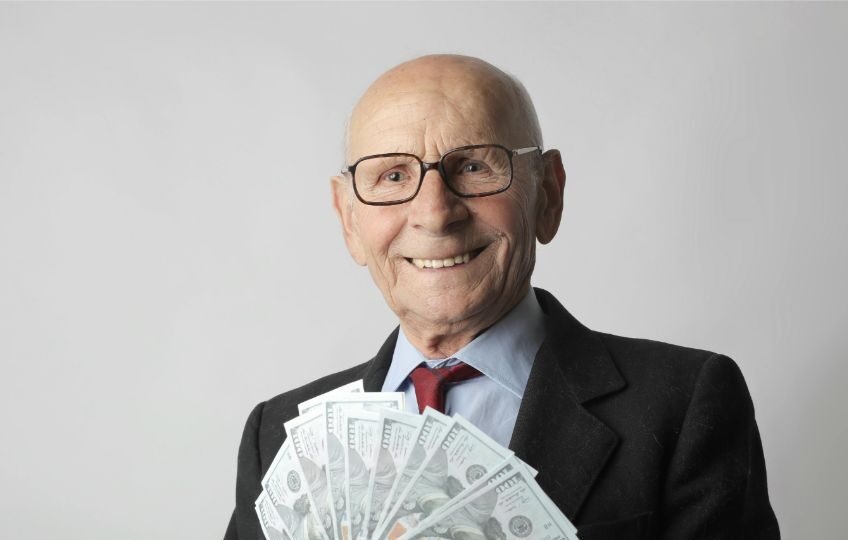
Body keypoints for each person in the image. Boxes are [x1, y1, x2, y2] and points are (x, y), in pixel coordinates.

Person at [225, 54, 779, 540]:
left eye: (472, 166)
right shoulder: (275, 437)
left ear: (549, 193)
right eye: (392, 176)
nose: (435, 213)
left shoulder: (684, 405)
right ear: (349, 220)